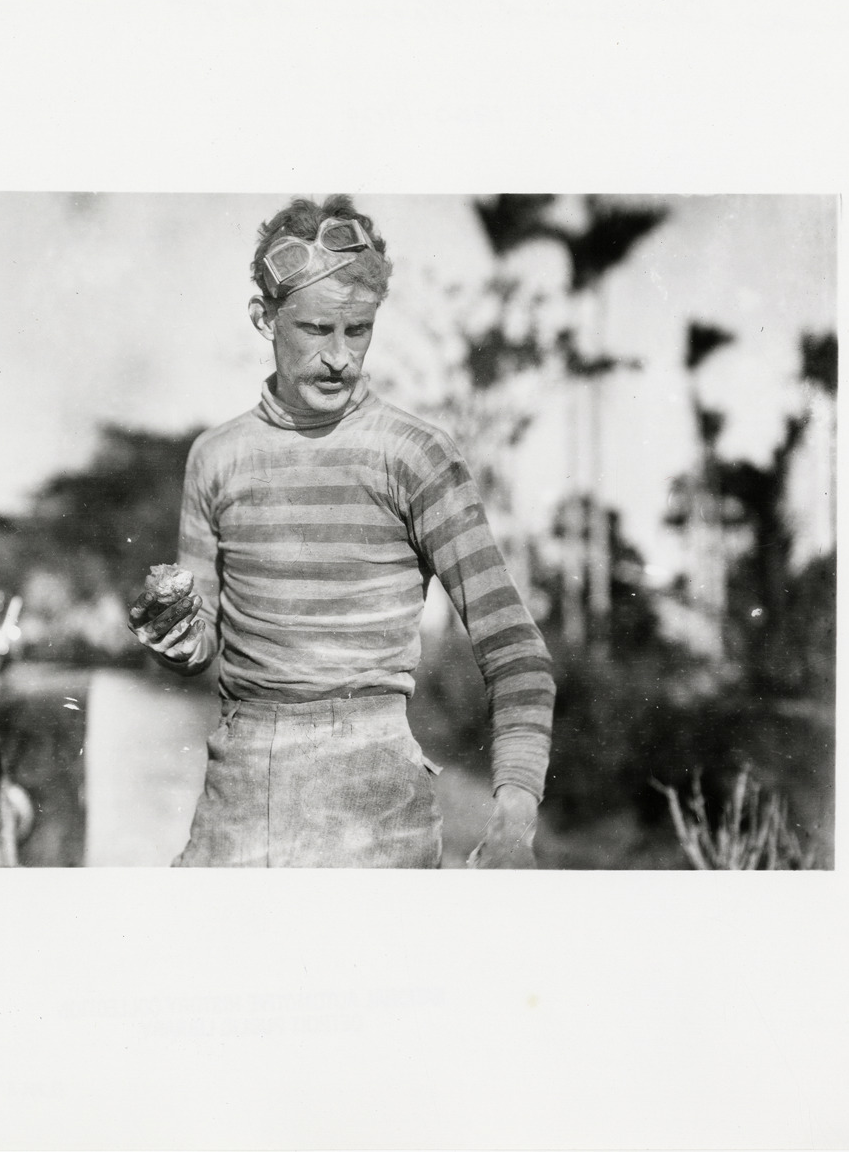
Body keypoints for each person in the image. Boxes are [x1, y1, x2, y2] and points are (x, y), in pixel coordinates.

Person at [129, 195, 555, 868]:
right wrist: (172, 633)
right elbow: (202, 642)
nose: (338, 357)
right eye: (315, 328)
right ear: (264, 318)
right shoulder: (216, 457)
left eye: (357, 331)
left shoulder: (414, 454)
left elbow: (516, 651)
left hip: (373, 802)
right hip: (238, 794)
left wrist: (513, 821)